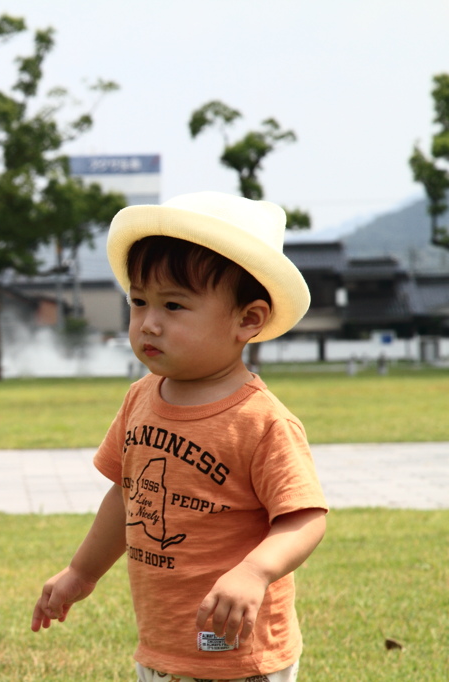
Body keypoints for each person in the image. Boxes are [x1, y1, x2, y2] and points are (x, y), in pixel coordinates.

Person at [31, 191, 328, 682]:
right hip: (164, 646)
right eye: (139, 301)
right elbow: (128, 495)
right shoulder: (140, 399)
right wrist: (81, 572)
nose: (149, 322)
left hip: (239, 652)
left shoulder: (262, 421)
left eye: (173, 305)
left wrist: (254, 572)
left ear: (247, 319)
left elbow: (305, 519)